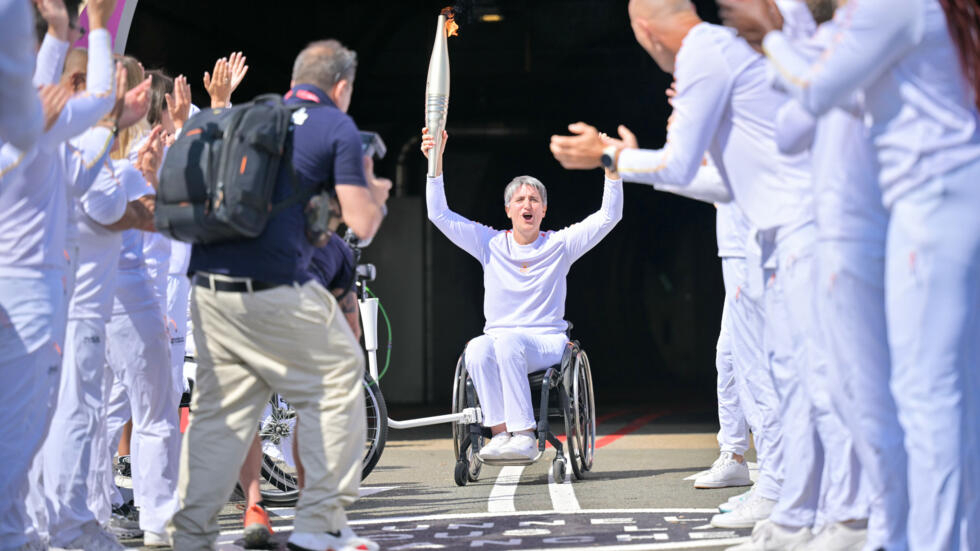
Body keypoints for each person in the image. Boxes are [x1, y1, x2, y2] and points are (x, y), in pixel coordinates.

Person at [549, 0, 871, 540]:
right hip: (779, 234)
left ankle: (841, 513)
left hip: (802, 232)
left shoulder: (704, 53)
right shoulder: (722, 54)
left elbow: (678, 163)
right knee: (790, 375)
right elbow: (719, 182)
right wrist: (629, 160)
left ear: (644, 31)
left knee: (815, 379)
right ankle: (804, 506)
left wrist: (612, 157)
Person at [719, 0, 980, 549]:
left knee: (926, 396)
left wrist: (771, 36)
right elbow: (793, 123)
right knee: (916, 395)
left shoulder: (892, 5)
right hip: (918, 206)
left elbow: (814, 92)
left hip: (931, 202)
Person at [172, 39, 384, 551]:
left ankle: (207, 526)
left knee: (224, 411)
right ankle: (319, 522)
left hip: (209, 286)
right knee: (339, 380)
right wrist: (374, 193)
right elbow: (361, 222)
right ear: (341, 87)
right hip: (274, 285)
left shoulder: (249, 118)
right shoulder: (336, 125)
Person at [422, 127, 622, 462]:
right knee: (477, 348)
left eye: (534, 200)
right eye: (519, 200)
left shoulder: (559, 245)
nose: (526, 204)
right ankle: (500, 434)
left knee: (509, 343)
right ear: (508, 210)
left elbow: (608, 217)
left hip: (546, 342)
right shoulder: (489, 244)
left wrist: (611, 169)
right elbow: (439, 215)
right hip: (502, 339)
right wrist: (435, 161)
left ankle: (525, 435)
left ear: (543, 210)